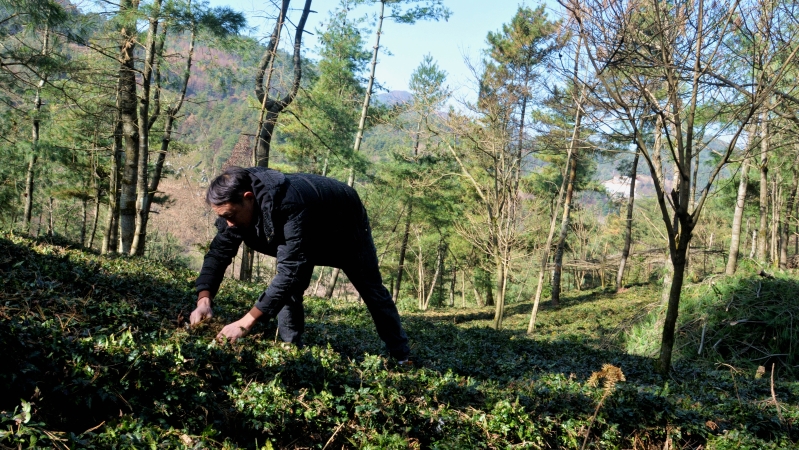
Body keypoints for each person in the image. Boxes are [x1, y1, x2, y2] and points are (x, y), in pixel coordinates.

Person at [189, 166, 410, 362]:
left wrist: (245, 322)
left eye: (231, 215)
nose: (228, 223)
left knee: (372, 290)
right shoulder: (235, 205)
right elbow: (218, 253)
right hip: (305, 224)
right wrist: (204, 299)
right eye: (223, 216)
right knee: (290, 288)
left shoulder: (289, 204)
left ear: (248, 198)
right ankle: (290, 348)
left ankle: (401, 354)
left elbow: (290, 273)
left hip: (345, 227)